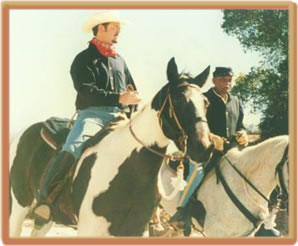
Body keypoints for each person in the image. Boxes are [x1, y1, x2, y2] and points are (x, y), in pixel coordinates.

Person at [33, 11, 141, 225]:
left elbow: (131, 88)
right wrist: (120, 97)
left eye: (119, 28)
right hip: (92, 115)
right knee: (73, 145)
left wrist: (135, 99)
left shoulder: (120, 60)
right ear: (100, 28)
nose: (118, 31)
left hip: (119, 115)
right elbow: (85, 91)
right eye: (114, 27)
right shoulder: (83, 59)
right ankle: (45, 199)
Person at [169, 67, 248, 235]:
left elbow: (240, 124)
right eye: (223, 79)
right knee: (196, 171)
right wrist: (211, 137)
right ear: (213, 80)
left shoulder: (236, 101)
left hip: (232, 151)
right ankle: (181, 211)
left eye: (229, 80)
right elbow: (194, 125)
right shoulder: (203, 98)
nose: (227, 83)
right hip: (207, 149)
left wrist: (243, 133)